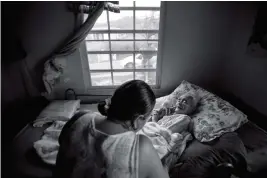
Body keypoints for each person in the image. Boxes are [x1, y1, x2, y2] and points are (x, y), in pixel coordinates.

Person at [54, 80, 170, 178]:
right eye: (146, 118)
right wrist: (165, 169)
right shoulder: (142, 146)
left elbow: (62, 143)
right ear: (139, 119)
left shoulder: (80, 116)